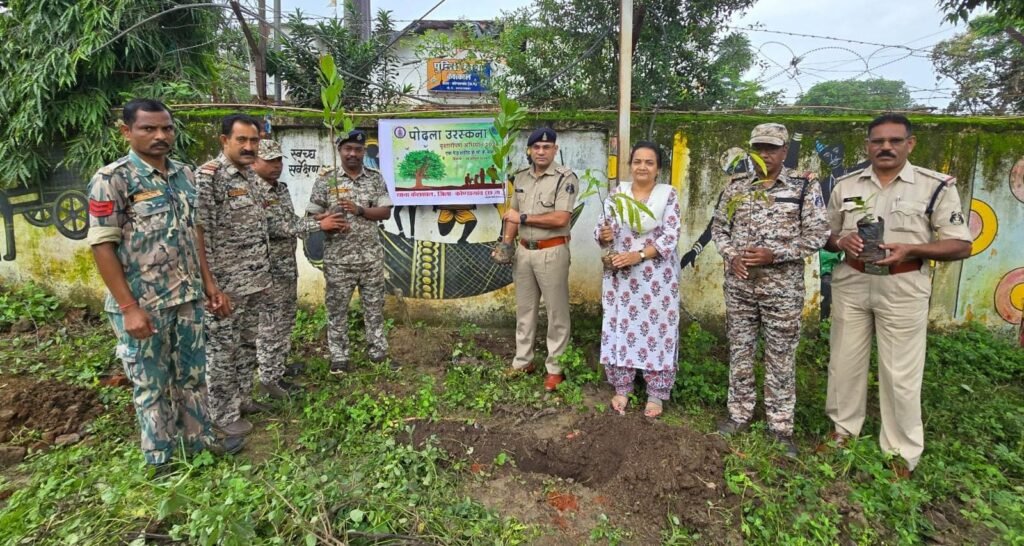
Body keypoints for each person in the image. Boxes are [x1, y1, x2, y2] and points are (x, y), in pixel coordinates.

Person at [86, 99, 243, 474]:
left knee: (192, 378)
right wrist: (128, 308)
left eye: (166, 128)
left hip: (187, 298)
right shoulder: (113, 179)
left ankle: (199, 443)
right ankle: (160, 460)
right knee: (151, 384)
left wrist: (210, 285)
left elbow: (196, 232)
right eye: (148, 128)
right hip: (145, 303)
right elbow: (102, 246)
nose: (160, 136)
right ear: (127, 131)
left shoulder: (185, 175)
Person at [824, 113, 972, 477]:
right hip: (853, 282)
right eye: (878, 141)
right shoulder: (845, 186)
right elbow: (824, 234)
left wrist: (910, 249)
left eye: (894, 140)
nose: (885, 147)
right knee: (843, 364)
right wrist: (840, 241)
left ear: (910, 143)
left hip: (902, 286)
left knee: (901, 373)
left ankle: (901, 453)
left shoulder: (933, 186)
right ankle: (843, 432)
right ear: (868, 145)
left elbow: (961, 244)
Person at [711, 123, 829, 457]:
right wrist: (732, 256)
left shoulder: (804, 186)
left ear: (784, 150)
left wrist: (775, 255)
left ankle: (780, 427)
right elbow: (720, 228)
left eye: (772, 148)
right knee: (741, 350)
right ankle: (739, 414)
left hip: (782, 291)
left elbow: (818, 234)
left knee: (780, 356)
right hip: (740, 287)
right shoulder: (737, 187)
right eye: (759, 147)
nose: (765, 154)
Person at [250, 139, 347, 401]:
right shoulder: (252, 191)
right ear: (254, 161)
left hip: (285, 266)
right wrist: (320, 226)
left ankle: (278, 367)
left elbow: (289, 221)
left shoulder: (279, 189)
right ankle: (269, 381)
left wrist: (313, 218)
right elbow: (274, 228)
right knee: (271, 324)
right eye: (269, 160)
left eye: (279, 160)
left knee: (285, 318)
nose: (276, 166)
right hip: (266, 268)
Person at [195, 114, 270, 439]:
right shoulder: (208, 177)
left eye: (254, 141)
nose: (249, 146)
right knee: (222, 352)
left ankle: (242, 399)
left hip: (253, 281)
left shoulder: (250, 177)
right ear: (224, 140)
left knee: (246, 344)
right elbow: (198, 231)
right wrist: (210, 285)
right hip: (225, 286)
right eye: (242, 140)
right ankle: (222, 415)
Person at [595, 141, 681, 418]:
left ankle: (656, 393)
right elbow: (601, 228)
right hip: (621, 277)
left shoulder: (668, 195)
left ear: (658, 168)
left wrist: (639, 254)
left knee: (658, 329)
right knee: (620, 326)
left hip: (656, 277)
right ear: (630, 164)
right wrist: (604, 235)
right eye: (637, 161)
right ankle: (622, 387)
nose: (642, 167)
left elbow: (670, 236)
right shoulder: (616, 194)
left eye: (649, 162)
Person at [492, 127, 578, 392]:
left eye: (547, 147)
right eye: (536, 147)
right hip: (524, 252)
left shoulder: (565, 178)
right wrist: (507, 242)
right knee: (525, 310)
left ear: (555, 150)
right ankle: (523, 361)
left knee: (556, 312)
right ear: (529, 150)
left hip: (552, 251)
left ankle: (555, 368)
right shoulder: (521, 178)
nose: (541, 151)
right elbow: (512, 215)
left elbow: (562, 218)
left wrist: (524, 219)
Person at [306, 130, 394, 374]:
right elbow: (312, 214)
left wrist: (359, 210)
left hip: (370, 258)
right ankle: (339, 356)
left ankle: (378, 352)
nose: (353, 153)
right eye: (348, 149)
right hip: (338, 259)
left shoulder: (375, 178)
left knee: (374, 308)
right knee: (337, 310)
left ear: (364, 152)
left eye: (357, 149)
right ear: (340, 150)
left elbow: (385, 211)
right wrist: (327, 218)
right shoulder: (327, 179)